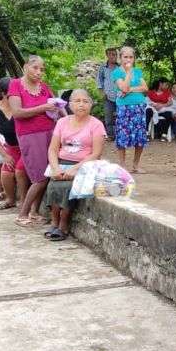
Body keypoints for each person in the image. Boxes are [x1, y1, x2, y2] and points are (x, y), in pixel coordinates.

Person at [43, 89, 107, 241]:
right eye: (77, 101)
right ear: (70, 104)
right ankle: (54, 220)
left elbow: (96, 153)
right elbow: (53, 149)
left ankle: (64, 224)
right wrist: (56, 167)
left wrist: (76, 168)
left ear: (91, 105)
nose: (81, 104)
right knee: (52, 184)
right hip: (61, 162)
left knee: (68, 186)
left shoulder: (96, 125)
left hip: (86, 164)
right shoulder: (62, 122)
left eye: (86, 101)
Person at [9, 55, 63, 226]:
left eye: (42, 69)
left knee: (47, 174)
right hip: (29, 135)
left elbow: (58, 105)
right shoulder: (16, 85)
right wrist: (43, 108)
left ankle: (34, 212)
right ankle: (22, 214)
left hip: (49, 132)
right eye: (35, 68)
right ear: (25, 67)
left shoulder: (44, 87)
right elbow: (17, 112)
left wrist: (68, 122)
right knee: (39, 177)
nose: (39, 72)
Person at [0, 77, 27, 211]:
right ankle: (10, 200)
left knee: (20, 170)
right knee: (6, 172)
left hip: (27, 145)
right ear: (3, 93)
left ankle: (25, 202)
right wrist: (5, 155)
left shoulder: (23, 104)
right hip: (11, 147)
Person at [112, 46, 148, 172]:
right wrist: (128, 73)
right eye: (125, 57)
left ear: (134, 58)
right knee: (123, 135)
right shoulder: (117, 72)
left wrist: (131, 89)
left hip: (139, 106)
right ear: (120, 58)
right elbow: (123, 88)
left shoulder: (138, 71)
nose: (128, 59)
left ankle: (135, 165)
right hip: (124, 107)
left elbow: (145, 88)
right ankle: (122, 166)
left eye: (131, 57)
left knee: (140, 136)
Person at [96, 47, 119, 138]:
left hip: (119, 96)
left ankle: (120, 134)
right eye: (112, 54)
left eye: (116, 54)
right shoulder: (103, 68)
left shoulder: (119, 67)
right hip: (107, 96)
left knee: (121, 115)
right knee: (108, 116)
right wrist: (102, 92)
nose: (114, 56)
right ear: (107, 55)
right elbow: (99, 81)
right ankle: (110, 135)